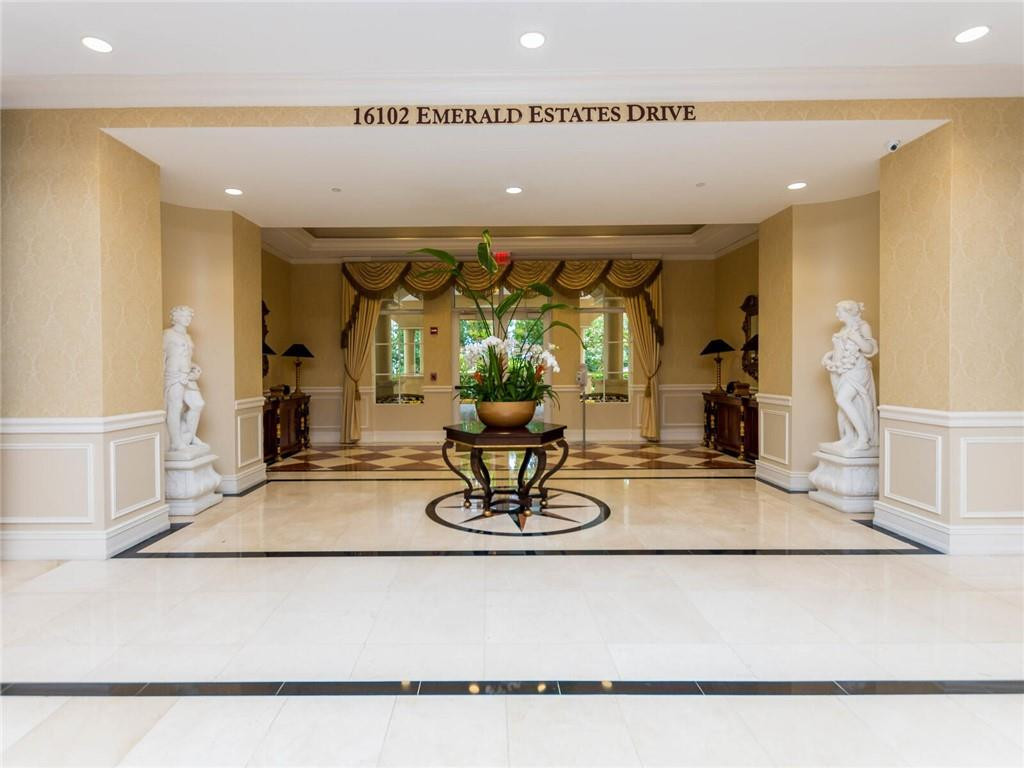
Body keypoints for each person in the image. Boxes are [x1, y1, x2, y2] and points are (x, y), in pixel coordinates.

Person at [821, 300, 878, 452]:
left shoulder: (863, 326)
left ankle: (864, 438)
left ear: (849, 312)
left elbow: (870, 349)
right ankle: (849, 437)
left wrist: (857, 339)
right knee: (842, 404)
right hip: (841, 371)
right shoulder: (844, 328)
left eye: (839, 311)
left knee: (843, 399)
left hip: (857, 370)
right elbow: (840, 351)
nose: (837, 314)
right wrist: (829, 357)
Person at [163, 306, 208, 453]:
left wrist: (195, 367)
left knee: (198, 404)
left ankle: (189, 436)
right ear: (175, 317)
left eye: (189, 316)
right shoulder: (167, 334)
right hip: (174, 375)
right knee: (175, 407)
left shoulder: (188, 337)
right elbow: (160, 357)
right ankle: (176, 441)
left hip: (188, 375)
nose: (187, 318)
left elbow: (186, 358)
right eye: (184, 315)